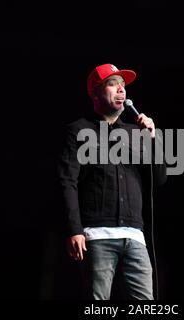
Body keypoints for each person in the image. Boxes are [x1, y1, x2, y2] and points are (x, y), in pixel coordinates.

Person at [58, 63, 167, 300]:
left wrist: (152, 138)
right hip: (97, 236)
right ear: (95, 92)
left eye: (123, 85)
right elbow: (67, 182)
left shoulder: (136, 134)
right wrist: (74, 230)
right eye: (112, 83)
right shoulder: (78, 130)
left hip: (135, 236)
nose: (121, 90)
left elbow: (159, 178)